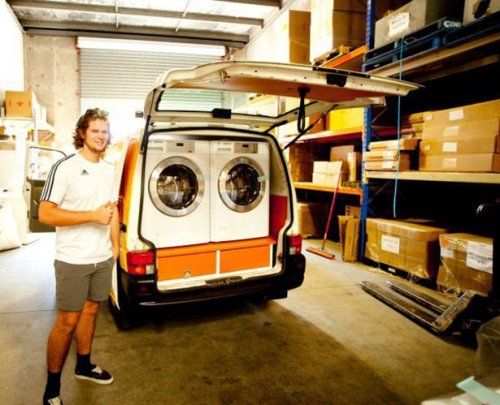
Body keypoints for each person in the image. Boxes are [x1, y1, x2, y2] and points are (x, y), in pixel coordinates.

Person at [39, 108, 119, 405]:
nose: (101, 136)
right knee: (67, 321)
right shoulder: (65, 167)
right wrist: (91, 216)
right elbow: (45, 213)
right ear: (83, 133)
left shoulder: (109, 169)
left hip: (102, 257)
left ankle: (84, 365)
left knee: (91, 311)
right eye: (95, 130)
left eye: (104, 131)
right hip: (72, 259)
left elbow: (111, 210)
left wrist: (115, 247)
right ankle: (52, 388)